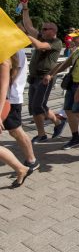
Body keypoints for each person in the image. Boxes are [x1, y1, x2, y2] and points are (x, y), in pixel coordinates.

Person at [21, 3, 65, 143]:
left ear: (53, 31)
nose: (42, 31)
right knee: (36, 106)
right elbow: (28, 25)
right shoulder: (41, 36)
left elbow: (39, 46)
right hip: (34, 77)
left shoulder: (56, 42)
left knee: (37, 106)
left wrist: (25, 35)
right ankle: (58, 123)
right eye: (42, 28)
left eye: (46, 29)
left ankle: (42, 134)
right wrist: (25, 8)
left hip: (45, 78)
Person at [0, 56, 35, 188]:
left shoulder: (4, 62)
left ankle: (24, 166)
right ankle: (21, 169)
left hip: (4, 103)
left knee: (16, 131)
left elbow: (3, 90)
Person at [4, 49, 39, 173]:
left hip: (10, 98)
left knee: (15, 130)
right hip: (8, 97)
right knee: (14, 131)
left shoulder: (14, 50)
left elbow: (11, 76)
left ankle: (31, 160)